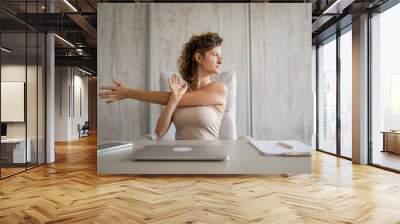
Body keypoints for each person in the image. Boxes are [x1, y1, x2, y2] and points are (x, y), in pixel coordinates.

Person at [99, 32, 227, 140]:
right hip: (181, 157)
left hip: (210, 157)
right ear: (199, 57)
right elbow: (160, 132)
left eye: (221, 57)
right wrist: (172, 102)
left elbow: (179, 100)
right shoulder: (180, 91)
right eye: (215, 55)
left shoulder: (219, 89)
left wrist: (129, 93)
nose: (220, 61)